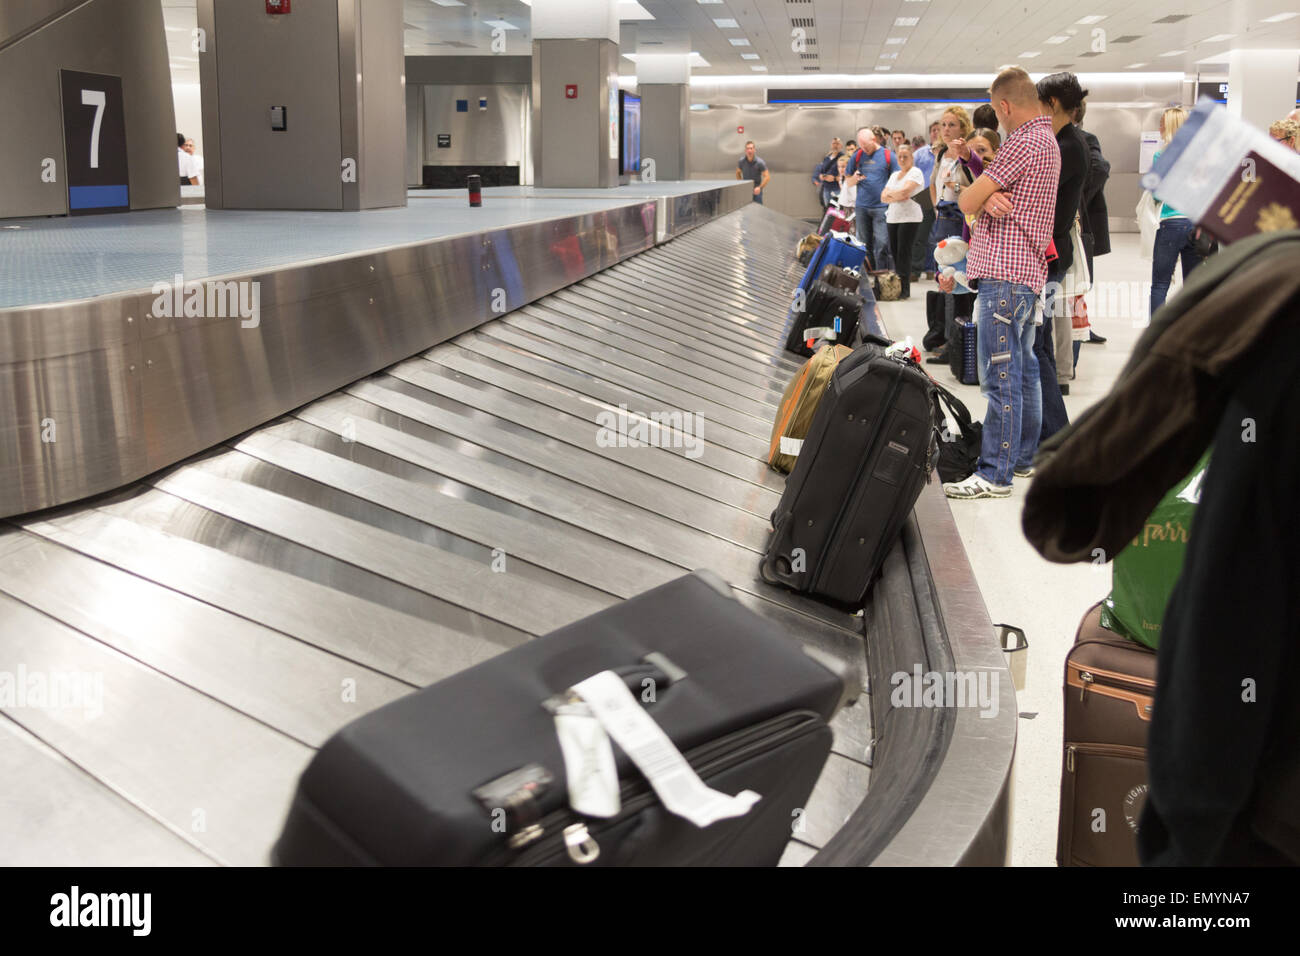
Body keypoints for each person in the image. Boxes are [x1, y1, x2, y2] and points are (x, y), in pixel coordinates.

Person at [941, 66, 1059, 500]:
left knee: (1000, 378)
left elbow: (963, 199)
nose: (998, 120)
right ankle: (1022, 457)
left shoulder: (1023, 141)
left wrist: (983, 196)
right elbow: (982, 198)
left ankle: (994, 474)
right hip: (1028, 276)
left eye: (996, 111)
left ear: (1004, 106)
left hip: (1004, 278)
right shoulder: (1047, 141)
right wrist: (989, 196)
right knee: (1025, 371)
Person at [1035, 72, 1089, 432]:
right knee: (1037, 345)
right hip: (1049, 252)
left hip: (1050, 254)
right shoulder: (1063, 140)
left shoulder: (1068, 145)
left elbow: (1039, 199)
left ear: (1052, 104)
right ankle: (1049, 431)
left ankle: (1054, 433)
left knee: (1038, 347)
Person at [1147, 108, 1208, 317]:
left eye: (1162, 124)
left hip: (1171, 223)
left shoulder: (1161, 155)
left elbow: (1156, 194)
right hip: (1195, 223)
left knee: (1160, 284)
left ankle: (1156, 334)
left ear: (1171, 126)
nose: (1159, 128)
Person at [1075, 101, 1110, 352]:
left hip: (1080, 222)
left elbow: (1100, 167)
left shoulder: (1085, 139)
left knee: (1080, 279)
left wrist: (1076, 199)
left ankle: (1081, 328)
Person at [844, 127, 899, 270]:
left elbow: (897, 179)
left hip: (882, 208)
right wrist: (854, 179)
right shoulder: (858, 155)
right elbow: (848, 180)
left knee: (882, 244)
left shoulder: (888, 155)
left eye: (866, 146)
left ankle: (882, 275)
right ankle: (867, 276)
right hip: (862, 206)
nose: (865, 150)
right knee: (863, 244)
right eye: (861, 147)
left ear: (874, 140)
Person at [882, 144, 926, 300]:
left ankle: (905, 289)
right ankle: (897, 286)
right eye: (899, 157)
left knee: (903, 253)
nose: (902, 159)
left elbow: (906, 192)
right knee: (894, 253)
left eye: (905, 156)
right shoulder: (894, 175)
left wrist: (892, 195)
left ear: (912, 158)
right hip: (893, 217)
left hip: (909, 218)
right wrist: (897, 195)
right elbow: (883, 196)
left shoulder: (915, 172)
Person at [911, 134, 937, 281]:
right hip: (924, 196)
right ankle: (916, 270)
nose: (936, 133)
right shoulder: (921, 153)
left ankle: (932, 269)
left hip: (943, 196)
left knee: (937, 237)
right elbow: (911, 170)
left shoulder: (948, 151)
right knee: (920, 236)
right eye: (933, 130)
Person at [812, 137, 845, 209]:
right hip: (826, 189)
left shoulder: (843, 158)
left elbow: (846, 175)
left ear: (841, 146)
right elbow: (822, 170)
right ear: (831, 145)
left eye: (837, 143)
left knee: (839, 210)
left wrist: (835, 178)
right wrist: (821, 176)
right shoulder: (827, 157)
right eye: (834, 143)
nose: (835, 145)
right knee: (828, 210)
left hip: (837, 189)